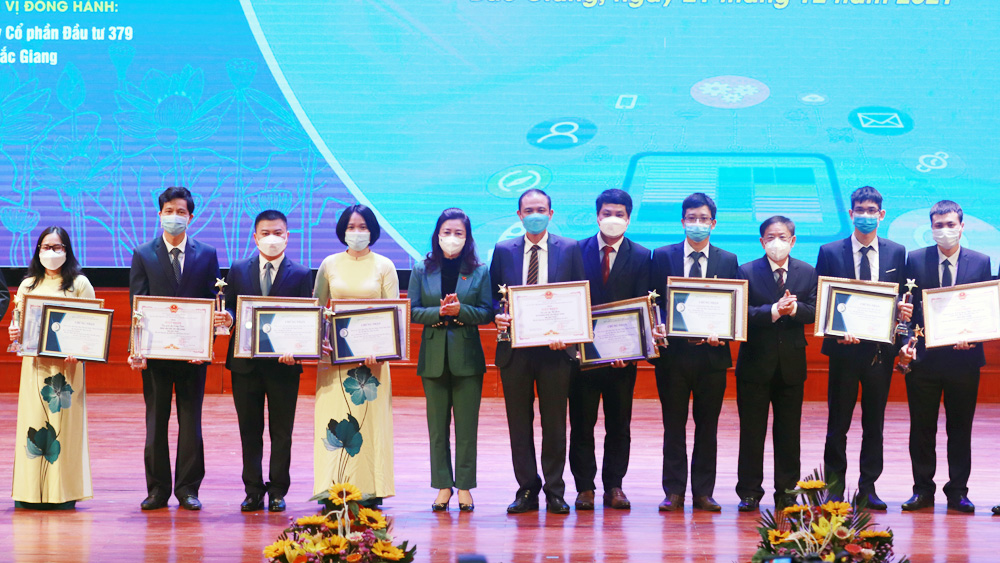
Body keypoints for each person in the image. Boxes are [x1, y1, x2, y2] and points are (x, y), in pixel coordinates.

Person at [129, 186, 224, 511]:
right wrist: (138, 349)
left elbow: (213, 304)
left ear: (190, 217)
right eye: (169, 211)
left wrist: (205, 346)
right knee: (156, 422)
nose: (174, 217)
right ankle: (157, 490)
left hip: (193, 356)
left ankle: (187, 489)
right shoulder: (143, 254)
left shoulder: (207, 254)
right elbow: (137, 306)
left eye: (180, 212)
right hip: (155, 355)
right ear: (160, 215)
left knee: (191, 422)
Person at [490, 188, 585, 514]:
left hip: (556, 351)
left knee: (555, 425)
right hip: (515, 350)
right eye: (528, 210)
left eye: (541, 209)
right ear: (519, 215)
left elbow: (579, 296)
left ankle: (555, 491)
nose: (535, 215)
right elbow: (492, 297)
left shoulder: (569, 248)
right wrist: (498, 315)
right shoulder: (504, 250)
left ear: (551, 213)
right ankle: (527, 489)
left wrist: (570, 335)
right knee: (519, 424)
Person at [815, 186, 910, 510]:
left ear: (881, 215)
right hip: (843, 351)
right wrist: (834, 332)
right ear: (851, 213)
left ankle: (868, 488)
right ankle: (834, 489)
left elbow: (902, 302)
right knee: (837, 424)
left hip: (879, 353)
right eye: (860, 210)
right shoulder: (830, 251)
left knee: (874, 424)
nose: (865, 216)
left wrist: (902, 318)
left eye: (871, 211)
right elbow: (822, 301)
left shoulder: (897, 252)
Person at [899, 200, 990, 514]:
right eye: (939, 225)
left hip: (964, 360)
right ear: (931, 228)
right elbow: (905, 309)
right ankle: (922, 490)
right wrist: (905, 343)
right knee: (921, 429)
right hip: (923, 359)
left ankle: (958, 492)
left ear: (962, 227)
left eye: (951, 225)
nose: (945, 230)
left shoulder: (981, 262)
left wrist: (974, 336)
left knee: (960, 429)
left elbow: (984, 309)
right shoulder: (915, 260)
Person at [650, 193, 738, 513]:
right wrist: (657, 324)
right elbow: (653, 301)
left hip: (711, 357)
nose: (697, 224)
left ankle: (703, 492)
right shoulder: (662, 256)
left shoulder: (728, 260)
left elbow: (734, 307)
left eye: (703, 218)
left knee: (707, 427)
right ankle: (673, 491)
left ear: (713, 223)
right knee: (673, 426)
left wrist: (724, 333)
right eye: (691, 218)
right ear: (682, 221)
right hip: (673, 357)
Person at [222, 210, 313, 513]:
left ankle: (277, 490)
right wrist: (228, 318)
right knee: (249, 430)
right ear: (255, 237)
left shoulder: (301, 273)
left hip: (283, 366)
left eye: (278, 233)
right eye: (265, 233)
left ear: (287, 237)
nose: (271, 238)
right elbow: (232, 307)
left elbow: (305, 320)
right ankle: (252, 490)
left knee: (281, 432)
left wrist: (297, 350)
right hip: (245, 364)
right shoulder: (238, 269)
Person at [569, 189, 650, 512]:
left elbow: (643, 306)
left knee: (619, 425)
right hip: (583, 358)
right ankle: (585, 487)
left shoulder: (642, 255)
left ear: (628, 219)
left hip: (622, 359)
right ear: (597, 216)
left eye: (619, 214)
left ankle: (614, 485)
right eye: (607, 213)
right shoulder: (575, 251)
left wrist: (631, 351)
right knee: (581, 424)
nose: (612, 219)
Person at [408, 208, 493, 512]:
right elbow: (412, 311)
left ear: (467, 237)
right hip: (432, 357)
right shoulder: (422, 269)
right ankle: (443, 486)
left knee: (467, 428)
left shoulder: (479, 270)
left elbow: (487, 312)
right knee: (437, 428)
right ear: (437, 235)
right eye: (447, 232)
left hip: (467, 358)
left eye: (459, 233)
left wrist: (460, 312)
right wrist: (439, 312)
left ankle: (465, 487)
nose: (452, 238)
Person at [313, 204, 397, 505]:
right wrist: (319, 343)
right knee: (334, 422)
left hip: (372, 363)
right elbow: (316, 311)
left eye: (363, 227)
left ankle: (370, 490)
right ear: (342, 230)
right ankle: (332, 489)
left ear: (372, 231)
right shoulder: (329, 264)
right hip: (333, 360)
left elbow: (393, 315)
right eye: (351, 227)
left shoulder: (385, 266)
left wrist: (382, 350)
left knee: (368, 423)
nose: (357, 232)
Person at [735, 216, 817, 512]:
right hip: (754, 364)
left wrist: (793, 309)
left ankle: (786, 492)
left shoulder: (807, 271)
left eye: (782, 237)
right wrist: (773, 310)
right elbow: (740, 312)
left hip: (791, 365)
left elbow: (815, 310)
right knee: (752, 432)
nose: (776, 242)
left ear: (793, 241)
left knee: (789, 433)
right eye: (770, 237)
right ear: (761, 241)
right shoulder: (745, 271)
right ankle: (749, 492)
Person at [9, 227, 91, 509]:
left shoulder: (79, 284)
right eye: (46, 247)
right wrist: (14, 332)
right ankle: (30, 493)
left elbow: (91, 327)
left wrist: (80, 351)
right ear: (38, 250)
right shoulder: (28, 285)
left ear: (67, 250)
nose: (52, 252)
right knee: (33, 424)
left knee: (63, 428)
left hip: (67, 370)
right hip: (35, 368)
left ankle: (62, 494)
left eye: (58, 247)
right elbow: (18, 324)